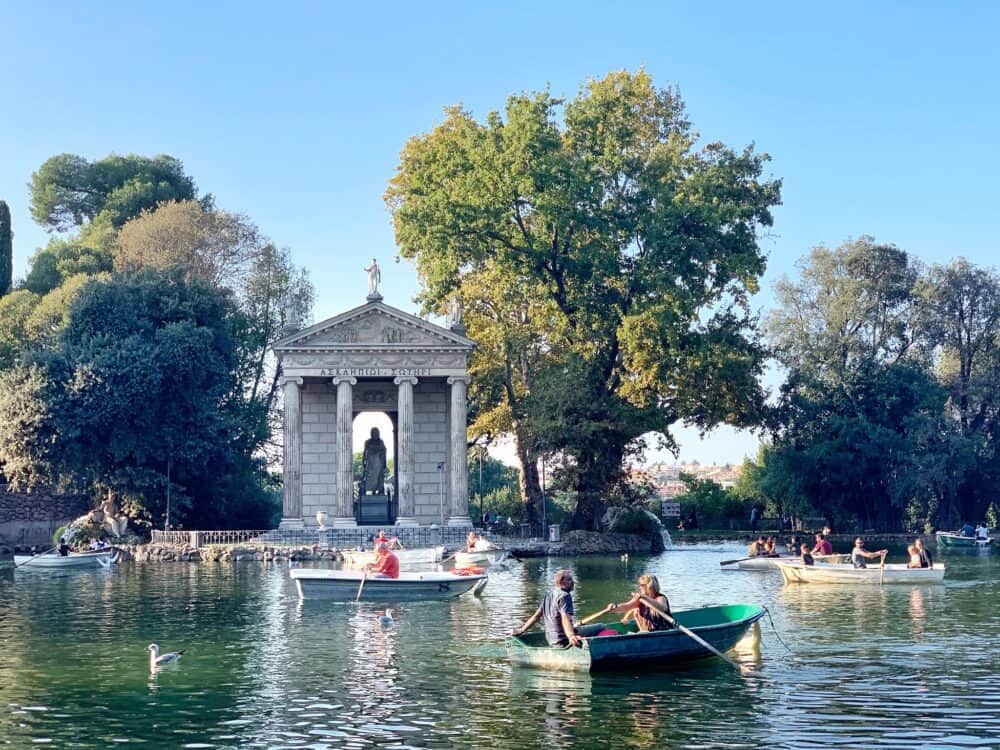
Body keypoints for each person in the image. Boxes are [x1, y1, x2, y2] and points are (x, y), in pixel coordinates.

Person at [512, 569, 585, 648]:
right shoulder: (565, 596)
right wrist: (571, 636)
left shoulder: (548, 595)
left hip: (551, 640)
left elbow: (536, 616)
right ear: (561, 582)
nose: (573, 582)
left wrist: (521, 630)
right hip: (563, 641)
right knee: (599, 627)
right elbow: (565, 618)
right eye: (569, 580)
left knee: (577, 628)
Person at [608, 574, 673, 632]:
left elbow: (662, 608)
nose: (639, 587)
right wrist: (614, 607)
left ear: (649, 586)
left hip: (663, 631)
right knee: (636, 610)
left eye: (642, 585)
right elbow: (626, 606)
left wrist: (645, 597)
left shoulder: (660, 598)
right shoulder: (640, 599)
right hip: (646, 633)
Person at [360, 427, 387, 494]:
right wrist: (363, 460)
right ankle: (366, 489)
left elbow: (384, 451)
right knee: (368, 476)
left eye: (376, 433)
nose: (375, 434)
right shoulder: (367, 442)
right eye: (373, 433)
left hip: (378, 462)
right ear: (371, 434)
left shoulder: (381, 442)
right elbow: (365, 452)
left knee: (379, 477)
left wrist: (384, 462)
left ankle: (378, 490)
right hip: (370, 463)